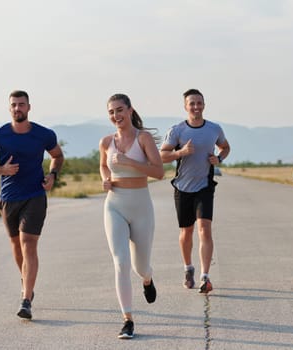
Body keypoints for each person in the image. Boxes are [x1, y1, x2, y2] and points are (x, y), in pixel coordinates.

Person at [0, 90, 64, 319]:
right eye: (14, 105)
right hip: (8, 198)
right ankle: (27, 283)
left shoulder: (43, 134)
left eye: (21, 104)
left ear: (29, 107)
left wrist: (52, 175)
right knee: (16, 246)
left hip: (34, 195)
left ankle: (25, 299)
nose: (18, 108)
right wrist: (0, 170)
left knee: (28, 243)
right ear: (9, 108)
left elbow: (57, 155)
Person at [99, 93, 164, 339]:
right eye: (111, 112)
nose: (116, 116)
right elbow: (104, 165)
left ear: (129, 110)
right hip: (114, 205)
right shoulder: (106, 142)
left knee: (140, 266)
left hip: (141, 207)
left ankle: (147, 279)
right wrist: (104, 179)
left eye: (119, 110)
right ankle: (127, 319)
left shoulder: (143, 138)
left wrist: (129, 161)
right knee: (121, 262)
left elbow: (158, 172)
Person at [160, 89, 230, 294]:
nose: (196, 107)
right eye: (192, 104)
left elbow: (225, 147)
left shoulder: (214, 129)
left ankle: (205, 276)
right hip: (182, 187)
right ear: (185, 107)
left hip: (205, 186)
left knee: (205, 229)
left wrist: (220, 159)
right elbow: (162, 155)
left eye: (199, 103)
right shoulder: (177, 130)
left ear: (204, 105)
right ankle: (188, 268)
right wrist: (181, 152)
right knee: (186, 232)